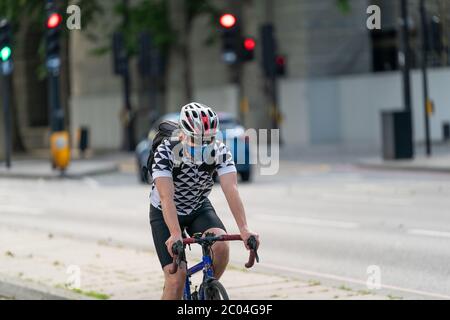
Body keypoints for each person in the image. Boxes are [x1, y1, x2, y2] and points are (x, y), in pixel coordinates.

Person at [149, 102, 260, 300]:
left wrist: (244, 229)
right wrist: (175, 234)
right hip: (165, 211)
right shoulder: (166, 152)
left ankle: (206, 292)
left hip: (198, 207)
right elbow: (166, 197)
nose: (203, 145)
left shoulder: (219, 150)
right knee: (176, 278)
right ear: (182, 133)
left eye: (208, 139)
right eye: (196, 140)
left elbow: (231, 189)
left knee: (221, 247)